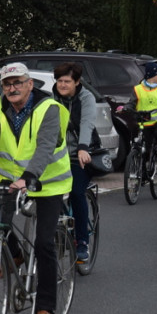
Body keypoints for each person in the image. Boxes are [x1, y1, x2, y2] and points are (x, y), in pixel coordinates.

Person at [0, 63, 72, 314]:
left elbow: (46, 145)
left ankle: (46, 307)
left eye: (17, 82)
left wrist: (29, 177)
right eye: (6, 84)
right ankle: (14, 254)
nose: (11, 88)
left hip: (48, 181)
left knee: (44, 243)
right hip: (11, 180)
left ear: (30, 84)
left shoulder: (48, 108)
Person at [52, 62, 95, 263]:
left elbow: (87, 123)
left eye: (67, 81)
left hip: (80, 153)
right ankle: (57, 232)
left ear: (77, 82)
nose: (62, 85)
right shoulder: (50, 99)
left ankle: (82, 241)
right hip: (57, 155)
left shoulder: (86, 98)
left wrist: (83, 147)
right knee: (51, 194)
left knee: (77, 192)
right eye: (59, 81)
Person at [125, 61, 157, 169]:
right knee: (144, 146)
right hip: (144, 120)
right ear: (153, 75)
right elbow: (131, 102)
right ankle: (142, 169)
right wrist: (125, 108)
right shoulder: (137, 88)